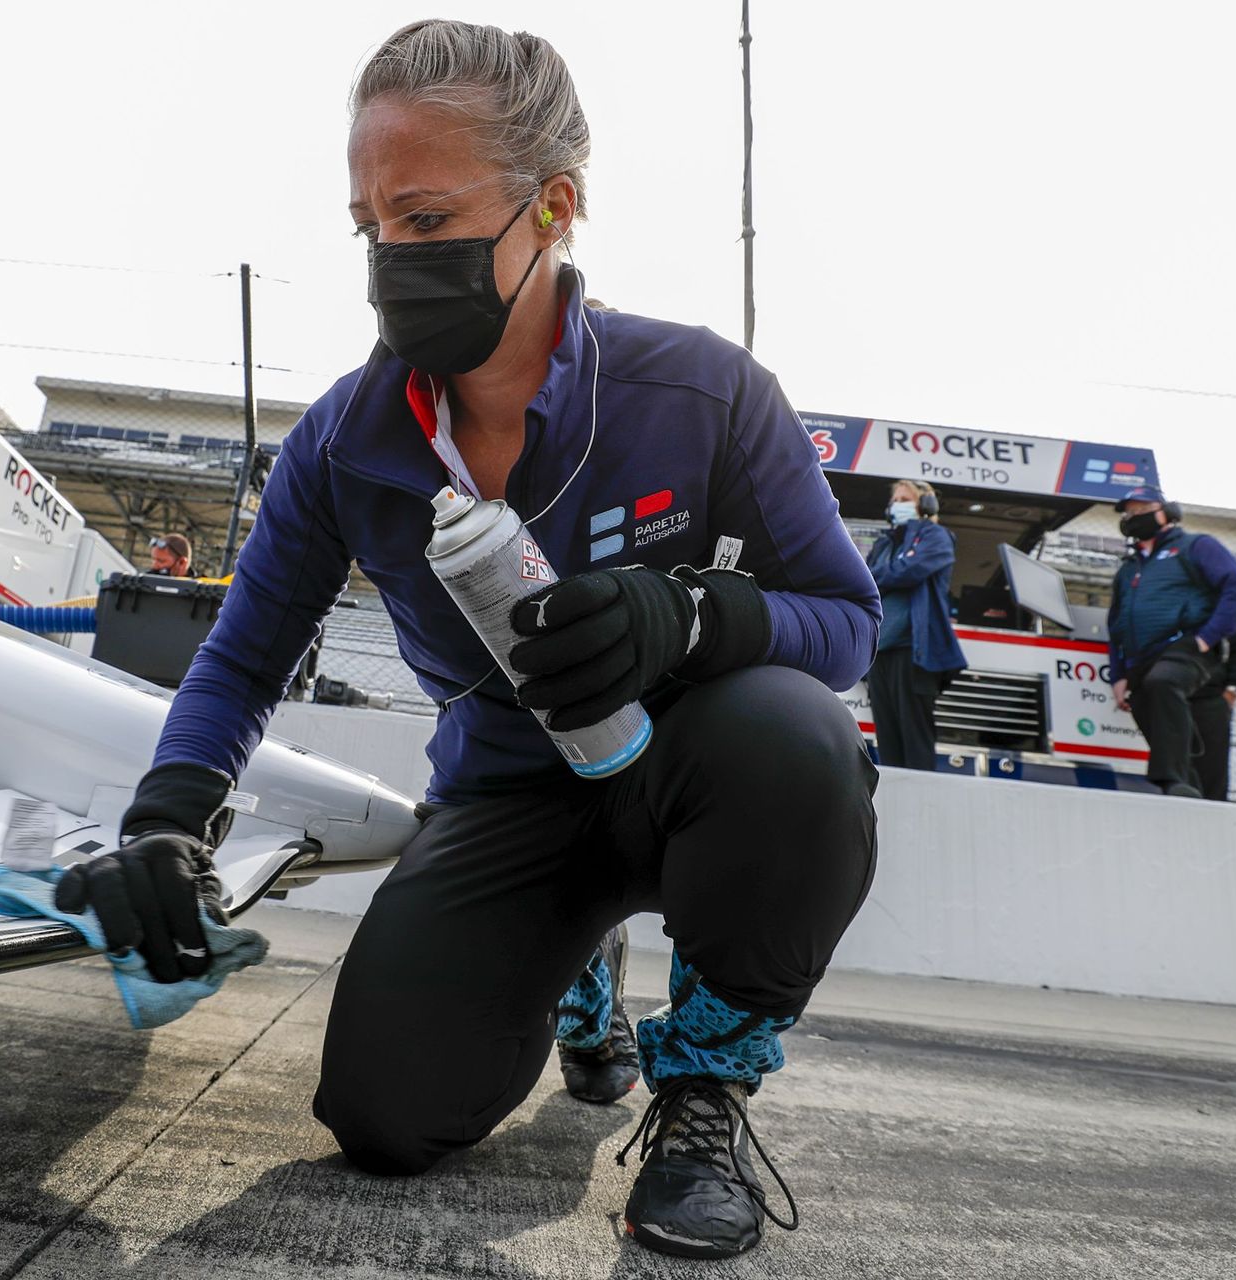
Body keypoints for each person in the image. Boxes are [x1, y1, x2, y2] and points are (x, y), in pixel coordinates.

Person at [53, 21, 879, 1261]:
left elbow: (849, 622)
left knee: (798, 736)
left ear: (553, 207)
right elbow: (246, 649)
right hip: (507, 793)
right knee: (384, 1118)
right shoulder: (344, 438)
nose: (391, 255)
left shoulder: (702, 388)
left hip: (695, 766)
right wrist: (169, 817)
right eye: (369, 224)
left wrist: (692, 614)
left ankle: (704, 1091)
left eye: (428, 221)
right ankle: (578, 962)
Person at [1106, 485, 1236, 797]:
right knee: (1149, 703)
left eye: (1143, 510)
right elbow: (1115, 625)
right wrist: (1118, 675)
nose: (1135, 517)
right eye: (1129, 513)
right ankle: (1185, 788)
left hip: (1186, 650)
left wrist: (1204, 640)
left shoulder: (1196, 546)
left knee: (1163, 682)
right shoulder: (1127, 570)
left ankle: (1169, 778)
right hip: (1141, 660)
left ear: (1168, 513)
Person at [863, 479, 966, 770]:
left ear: (926, 505)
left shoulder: (937, 537)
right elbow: (863, 582)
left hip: (914, 651)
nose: (897, 504)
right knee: (888, 742)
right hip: (879, 652)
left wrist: (880, 574)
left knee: (915, 742)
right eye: (894, 500)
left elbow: (907, 572)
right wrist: (884, 573)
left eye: (905, 498)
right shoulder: (885, 543)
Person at [1190, 620, 1236, 802]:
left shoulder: (1219, 603)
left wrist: (1233, 688)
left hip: (1210, 698)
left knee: (1211, 770)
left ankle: (1211, 817)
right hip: (1166, 695)